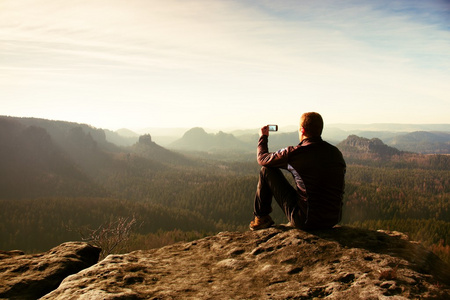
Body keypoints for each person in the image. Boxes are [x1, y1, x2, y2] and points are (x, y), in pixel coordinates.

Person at [250, 112, 346, 231]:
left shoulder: (295, 153)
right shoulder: (336, 153)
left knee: (266, 170)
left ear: (302, 130)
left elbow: (262, 159)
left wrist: (263, 137)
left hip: (306, 220)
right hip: (333, 219)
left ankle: (261, 218)